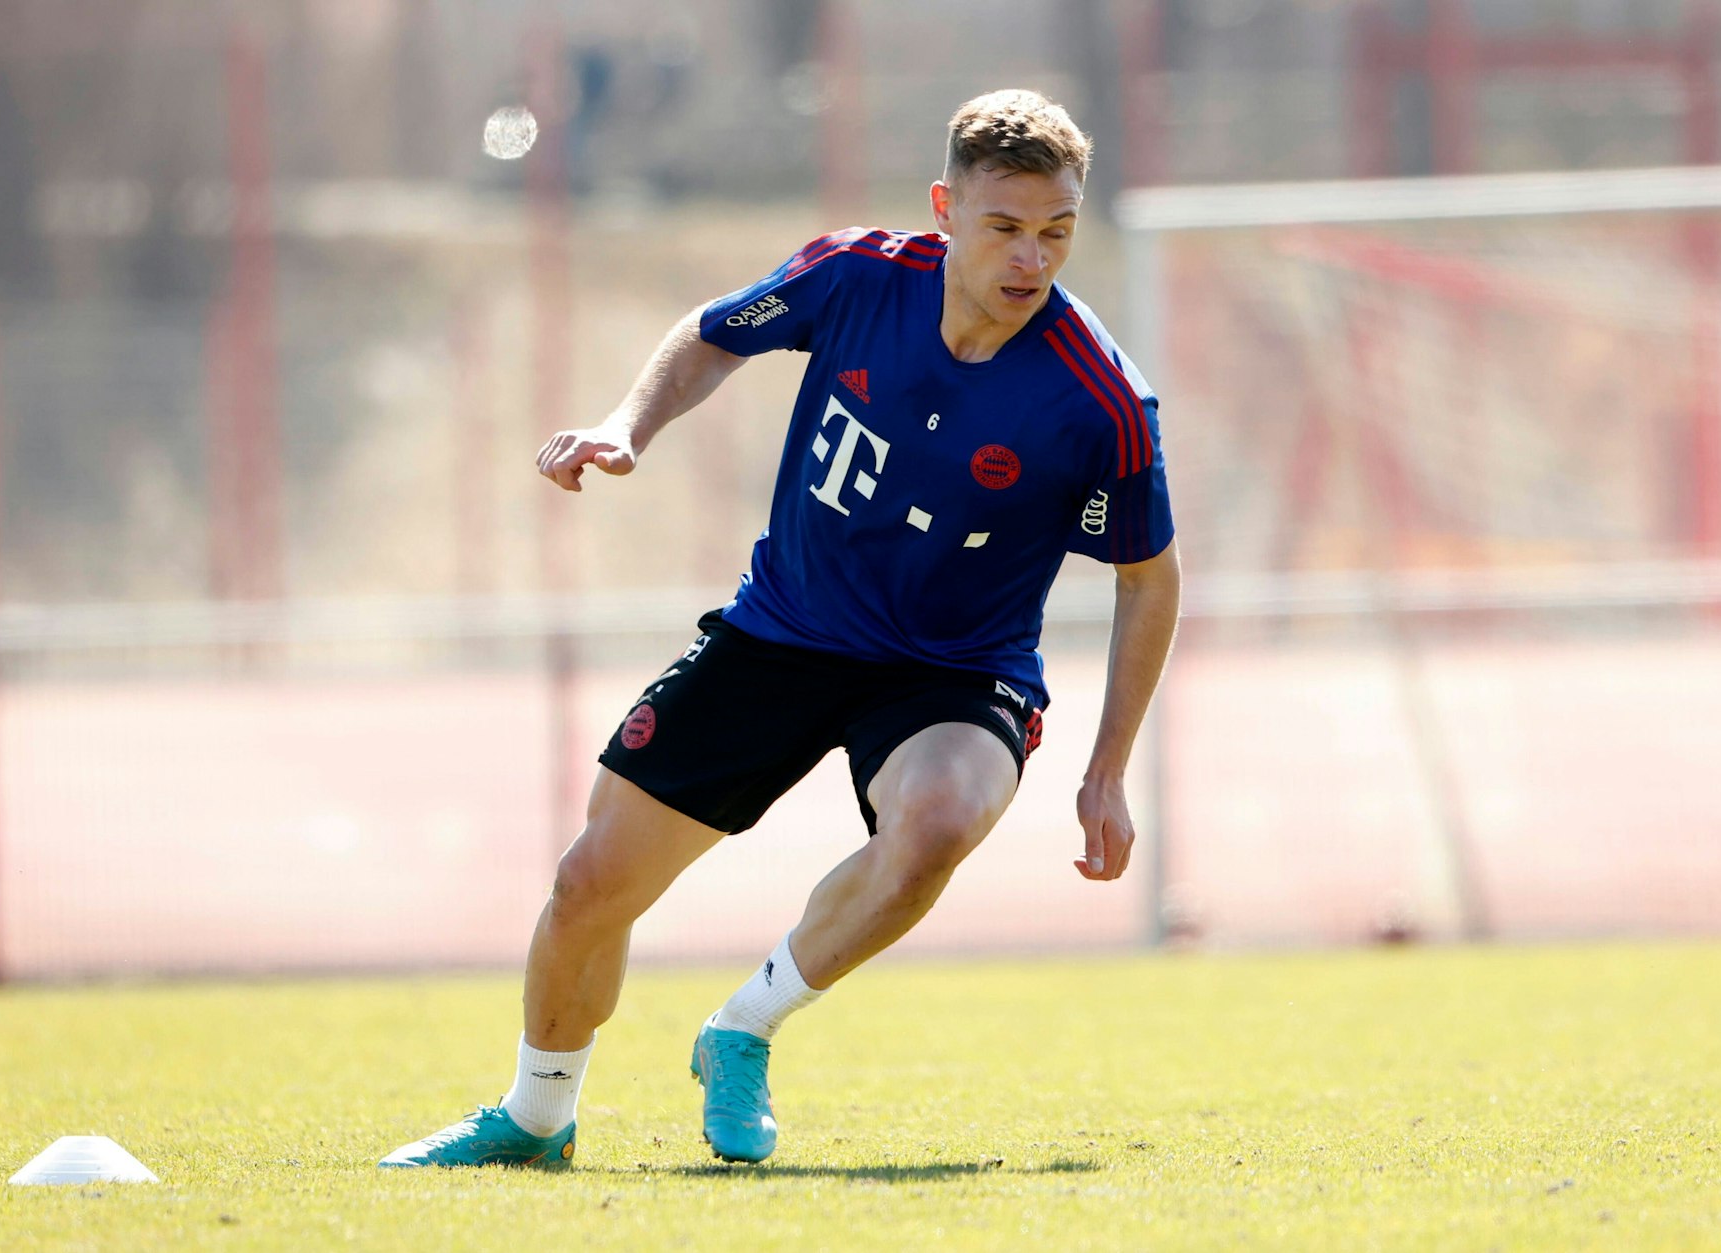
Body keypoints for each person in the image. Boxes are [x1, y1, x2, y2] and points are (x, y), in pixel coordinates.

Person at [381, 88, 1180, 1170]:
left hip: (954, 669)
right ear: (946, 207)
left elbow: (1147, 577)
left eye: (1057, 230)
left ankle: (740, 1030)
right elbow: (712, 335)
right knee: (590, 885)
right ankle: (534, 1114)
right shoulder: (855, 276)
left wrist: (1106, 769)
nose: (1031, 257)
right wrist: (627, 426)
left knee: (939, 817)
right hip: (783, 630)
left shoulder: (1101, 401)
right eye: (1003, 226)